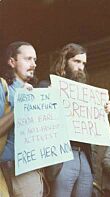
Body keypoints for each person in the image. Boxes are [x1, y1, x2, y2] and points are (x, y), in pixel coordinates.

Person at [44, 43, 110, 197]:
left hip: (84, 156)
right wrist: (46, 97)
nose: (81, 67)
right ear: (64, 61)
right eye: (76, 61)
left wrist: (101, 112)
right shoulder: (48, 85)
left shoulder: (86, 93)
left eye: (83, 63)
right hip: (63, 156)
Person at [0, 41, 44, 197]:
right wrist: (21, 104)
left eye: (35, 60)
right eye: (28, 59)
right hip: (9, 168)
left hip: (31, 168)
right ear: (12, 62)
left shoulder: (36, 93)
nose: (33, 64)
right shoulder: (3, 88)